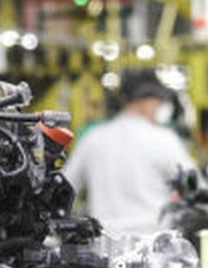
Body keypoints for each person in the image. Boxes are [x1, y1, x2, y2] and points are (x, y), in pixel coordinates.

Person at [63, 69, 193, 235]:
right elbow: (193, 186)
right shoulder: (164, 139)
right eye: (158, 101)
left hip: (103, 244)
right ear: (151, 101)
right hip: (153, 242)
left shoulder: (93, 138)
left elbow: (65, 189)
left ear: (123, 99)